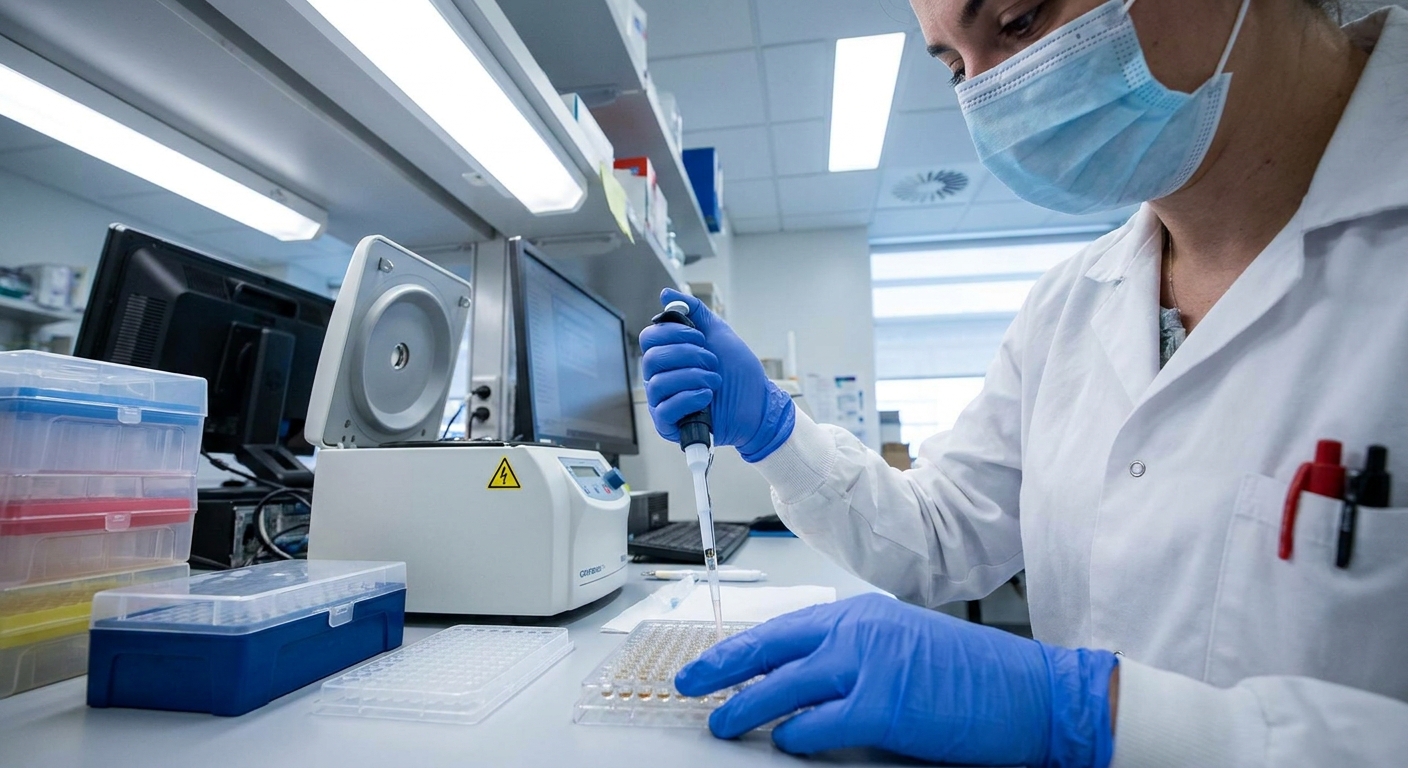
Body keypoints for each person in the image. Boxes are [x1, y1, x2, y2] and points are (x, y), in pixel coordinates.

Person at [638, 0, 1408, 765]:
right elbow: (939, 533)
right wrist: (775, 431)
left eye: (1020, 19)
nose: (989, 94)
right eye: (955, 69)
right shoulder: (1068, 305)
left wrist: (1099, 716)